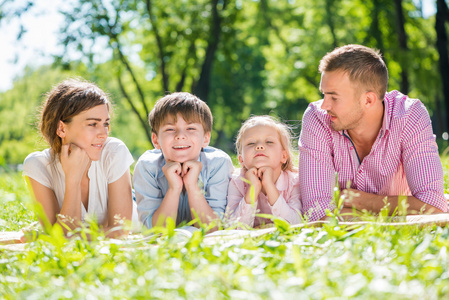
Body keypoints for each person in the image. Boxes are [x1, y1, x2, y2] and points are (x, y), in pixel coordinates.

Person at [298, 44, 447, 222]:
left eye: (334, 97)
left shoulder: (409, 115)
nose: (324, 106)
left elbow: (433, 207)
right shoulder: (317, 118)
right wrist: (392, 215)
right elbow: (316, 211)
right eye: (324, 95)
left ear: (368, 100)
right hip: (402, 221)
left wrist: (362, 202)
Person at [23, 78, 137, 236]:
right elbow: (60, 241)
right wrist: (73, 180)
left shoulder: (114, 152)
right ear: (61, 128)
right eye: (92, 124)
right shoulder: (38, 165)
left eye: (105, 123)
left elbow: (120, 232)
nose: (104, 134)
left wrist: (58, 234)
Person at [133, 92, 233, 229]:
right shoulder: (147, 166)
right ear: (156, 140)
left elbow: (214, 229)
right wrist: (174, 188)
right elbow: (156, 232)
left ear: (206, 138)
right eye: (170, 129)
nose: (180, 136)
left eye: (191, 128)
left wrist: (192, 186)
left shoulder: (218, 164)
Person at [226, 116, 301, 228]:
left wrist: (269, 185)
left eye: (269, 142)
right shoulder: (237, 182)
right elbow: (232, 228)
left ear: (283, 156)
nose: (259, 146)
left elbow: (296, 225)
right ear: (241, 160)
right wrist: (253, 189)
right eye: (251, 143)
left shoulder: (294, 182)